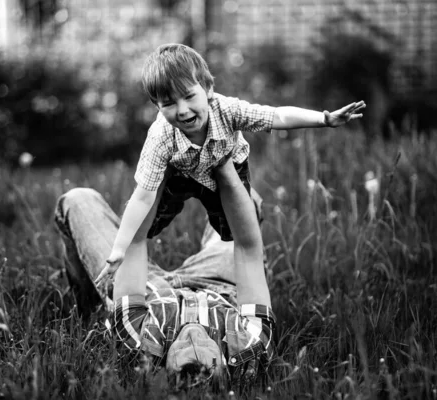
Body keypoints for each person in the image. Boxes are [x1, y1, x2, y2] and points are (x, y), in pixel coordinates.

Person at [95, 43, 365, 295]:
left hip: (226, 166)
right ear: (157, 105)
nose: (183, 110)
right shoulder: (160, 137)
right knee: (143, 224)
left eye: (189, 96)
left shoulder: (227, 109)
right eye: (168, 103)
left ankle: (252, 278)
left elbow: (277, 115)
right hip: (178, 173)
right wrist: (120, 246)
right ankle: (129, 277)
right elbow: (142, 196)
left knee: (236, 232)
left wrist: (324, 118)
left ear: (208, 89)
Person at [54, 161, 275, 388]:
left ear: (163, 370)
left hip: (149, 289)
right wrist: (223, 168)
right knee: (249, 200)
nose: (193, 334)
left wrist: (160, 172)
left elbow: (136, 241)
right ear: (225, 369)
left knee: (78, 201)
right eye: (206, 347)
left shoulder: (138, 342)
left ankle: (88, 302)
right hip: (217, 281)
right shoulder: (249, 346)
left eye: (182, 347)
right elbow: (247, 249)